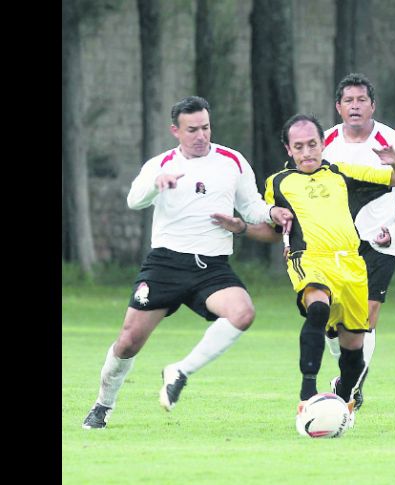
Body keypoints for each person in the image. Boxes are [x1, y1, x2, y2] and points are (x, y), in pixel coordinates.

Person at [81, 96, 293, 429]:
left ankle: (180, 371)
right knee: (128, 342)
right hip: (166, 264)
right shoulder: (161, 163)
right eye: (192, 129)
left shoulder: (232, 161)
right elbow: (134, 201)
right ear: (175, 131)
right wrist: (156, 184)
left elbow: (252, 207)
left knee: (243, 313)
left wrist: (272, 212)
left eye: (205, 127)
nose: (201, 136)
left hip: (212, 267)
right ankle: (103, 406)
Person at [212, 114, 395, 425]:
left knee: (354, 350)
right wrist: (241, 228)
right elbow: (271, 230)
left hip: (351, 263)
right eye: (299, 147)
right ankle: (307, 395)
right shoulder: (278, 182)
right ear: (288, 149)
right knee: (317, 308)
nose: (307, 152)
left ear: (322, 144)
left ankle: (342, 396)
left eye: (313, 145)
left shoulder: (341, 173)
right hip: (309, 258)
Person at [321, 73, 395, 410]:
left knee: (366, 316)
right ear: (338, 107)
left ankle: (352, 386)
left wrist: (394, 231)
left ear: (372, 105)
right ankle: (346, 373)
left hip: (379, 243)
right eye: (348, 101)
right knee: (332, 319)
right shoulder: (324, 143)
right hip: (334, 244)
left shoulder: (393, 142)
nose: (355, 106)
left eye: (361, 100)